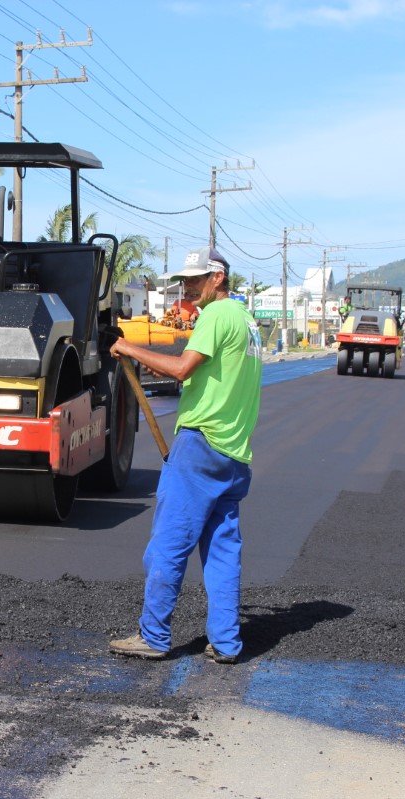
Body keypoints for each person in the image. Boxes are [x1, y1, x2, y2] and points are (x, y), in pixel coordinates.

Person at [106, 246, 263, 663]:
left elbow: (179, 369)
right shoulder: (248, 321)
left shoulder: (216, 315)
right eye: (185, 280)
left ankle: (154, 636)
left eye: (195, 279)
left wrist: (128, 348)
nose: (187, 288)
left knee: (168, 544)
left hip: (201, 446)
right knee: (222, 549)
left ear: (218, 278)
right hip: (234, 452)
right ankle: (228, 643)